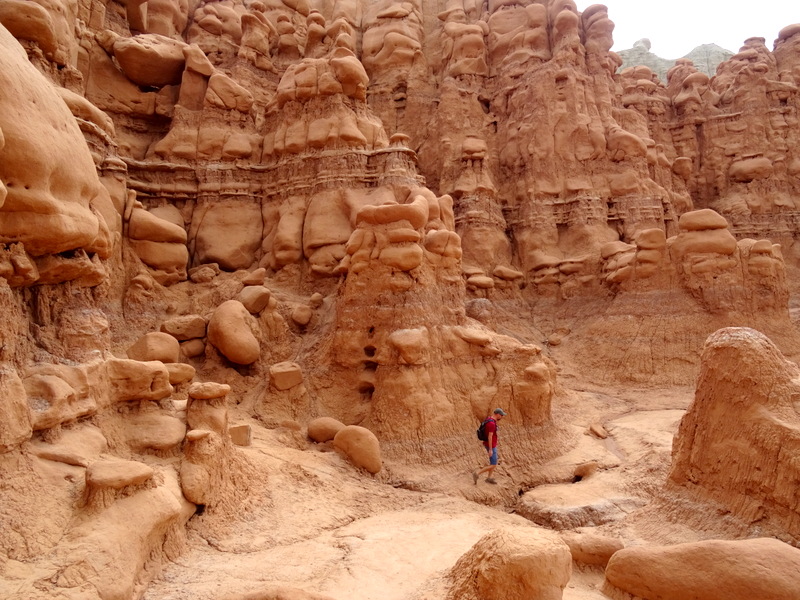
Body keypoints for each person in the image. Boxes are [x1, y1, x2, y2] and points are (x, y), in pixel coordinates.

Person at [473, 408, 506, 484]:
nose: (502, 417)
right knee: (493, 465)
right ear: (497, 414)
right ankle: (477, 473)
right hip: (490, 445)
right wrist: (491, 449)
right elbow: (489, 436)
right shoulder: (491, 424)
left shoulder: (489, 419)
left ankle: (489, 478)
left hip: (490, 444)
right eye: (501, 415)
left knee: (493, 462)